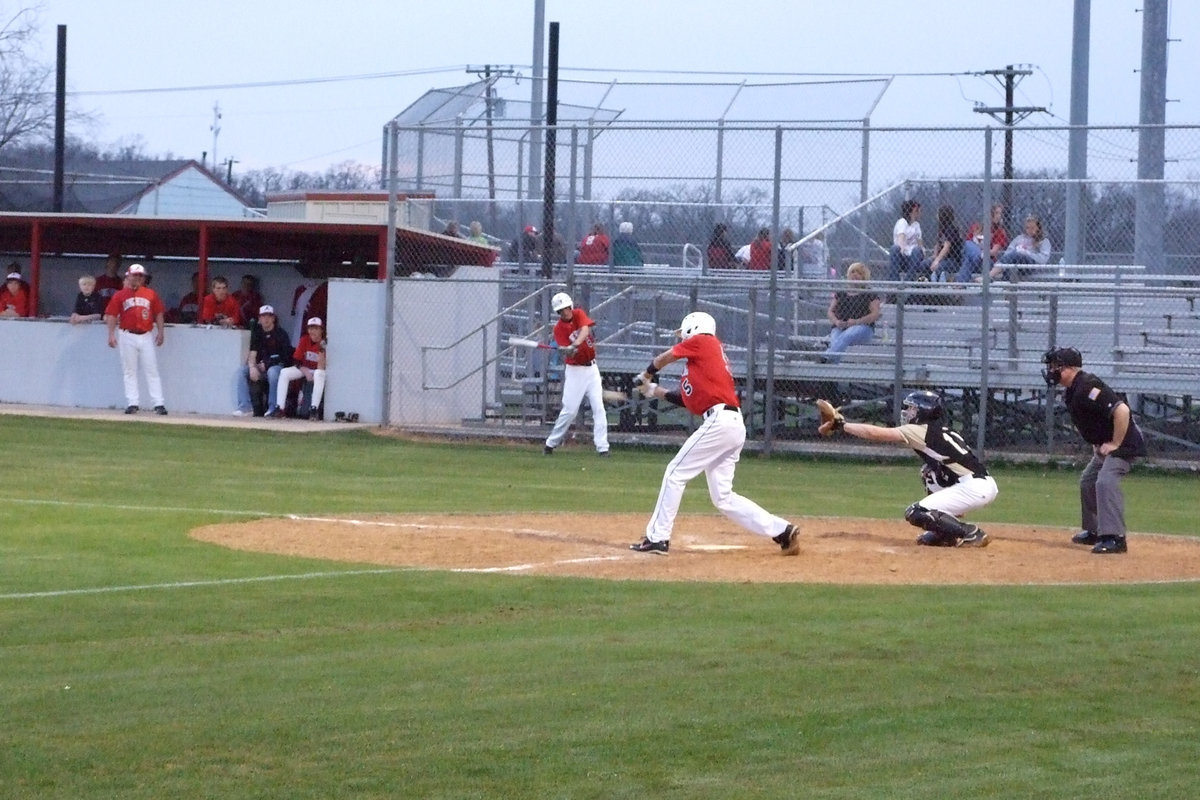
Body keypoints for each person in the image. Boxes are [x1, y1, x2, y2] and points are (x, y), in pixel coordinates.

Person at [629, 311, 798, 556]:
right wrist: (653, 390)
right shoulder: (701, 363)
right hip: (729, 423)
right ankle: (782, 530)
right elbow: (686, 399)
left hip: (721, 421)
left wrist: (646, 374)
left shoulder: (705, 340)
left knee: (675, 474)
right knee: (723, 497)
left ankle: (657, 538)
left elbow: (665, 357)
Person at [820, 390, 996, 547]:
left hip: (973, 487)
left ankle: (971, 532)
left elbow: (876, 434)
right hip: (976, 483)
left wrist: (841, 425)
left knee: (915, 512)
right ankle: (945, 534)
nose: (907, 412)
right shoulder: (941, 430)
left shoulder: (921, 429)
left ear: (924, 410)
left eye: (912, 408)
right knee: (928, 472)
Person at [1042, 347, 1146, 554]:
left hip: (1125, 443)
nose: (1052, 371)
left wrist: (1116, 443)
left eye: (1056, 367)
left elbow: (1122, 410)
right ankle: (1095, 531)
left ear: (1070, 368)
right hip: (1106, 444)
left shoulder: (1088, 386)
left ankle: (1115, 538)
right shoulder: (1073, 389)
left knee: (1105, 482)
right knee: (1088, 481)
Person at [542, 292, 610, 456]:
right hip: (575, 372)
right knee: (570, 411)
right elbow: (570, 356)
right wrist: (567, 351)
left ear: (570, 306)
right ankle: (550, 444)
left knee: (599, 409)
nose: (565, 312)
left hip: (592, 369)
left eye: (566, 308)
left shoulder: (579, 314)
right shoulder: (558, 329)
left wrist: (575, 344)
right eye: (561, 310)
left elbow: (585, 330)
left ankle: (603, 448)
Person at [103, 263, 167, 415]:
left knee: (151, 369)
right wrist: (111, 334)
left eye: (140, 276)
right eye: (135, 275)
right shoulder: (119, 295)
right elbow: (111, 315)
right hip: (127, 334)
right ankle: (133, 402)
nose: (137, 278)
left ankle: (158, 403)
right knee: (129, 370)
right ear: (128, 276)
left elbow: (158, 313)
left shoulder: (151, 294)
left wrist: (161, 331)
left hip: (145, 335)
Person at [236, 305, 292, 417]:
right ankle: (245, 407)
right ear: (259, 319)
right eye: (263, 316)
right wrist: (252, 367)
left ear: (273, 318)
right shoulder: (257, 333)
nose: (266, 319)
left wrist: (267, 364)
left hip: (276, 368)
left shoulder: (281, 334)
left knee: (273, 372)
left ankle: (273, 407)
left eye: (269, 316)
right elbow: (253, 353)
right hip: (259, 368)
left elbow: (285, 357)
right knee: (242, 371)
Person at [821, 262, 882, 364]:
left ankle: (825, 357)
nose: (855, 275)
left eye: (859, 273)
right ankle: (832, 372)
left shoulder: (870, 294)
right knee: (836, 339)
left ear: (864, 277)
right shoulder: (841, 293)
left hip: (863, 328)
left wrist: (857, 321)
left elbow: (875, 314)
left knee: (847, 335)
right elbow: (830, 311)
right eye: (852, 272)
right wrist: (836, 322)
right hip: (841, 326)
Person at [275, 317, 327, 420]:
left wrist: (321, 349)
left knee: (318, 373)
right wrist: (306, 372)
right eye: (311, 328)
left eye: (316, 328)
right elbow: (296, 360)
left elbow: (321, 367)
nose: (313, 331)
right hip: (306, 368)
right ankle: (280, 408)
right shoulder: (304, 339)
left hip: (319, 370)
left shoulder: (324, 342)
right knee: (284, 372)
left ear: (321, 330)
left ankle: (314, 409)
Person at [989, 215, 1052, 280]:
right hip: (1016, 263)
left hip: (1032, 266)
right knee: (1014, 255)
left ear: (1038, 228)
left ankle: (990, 275)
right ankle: (1001, 281)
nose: (1030, 230)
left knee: (1017, 255)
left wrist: (1027, 253)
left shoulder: (1044, 241)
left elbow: (1043, 259)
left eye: (1032, 228)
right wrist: (1017, 251)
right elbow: (1008, 253)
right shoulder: (1019, 238)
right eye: (1027, 228)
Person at [924, 205, 970, 283]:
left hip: (953, 260)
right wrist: (934, 256)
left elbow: (946, 247)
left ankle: (938, 291)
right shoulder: (941, 228)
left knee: (938, 267)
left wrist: (937, 261)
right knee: (924, 265)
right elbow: (938, 244)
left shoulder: (951, 228)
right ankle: (924, 287)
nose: (936, 215)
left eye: (938, 213)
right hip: (942, 259)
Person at [888, 199, 925, 281]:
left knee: (917, 250)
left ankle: (908, 281)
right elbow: (901, 240)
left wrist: (922, 252)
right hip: (903, 257)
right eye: (918, 211)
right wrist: (903, 252)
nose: (920, 213)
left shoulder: (916, 225)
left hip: (914, 258)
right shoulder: (902, 222)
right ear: (913, 211)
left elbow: (920, 244)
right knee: (895, 248)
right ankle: (894, 283)